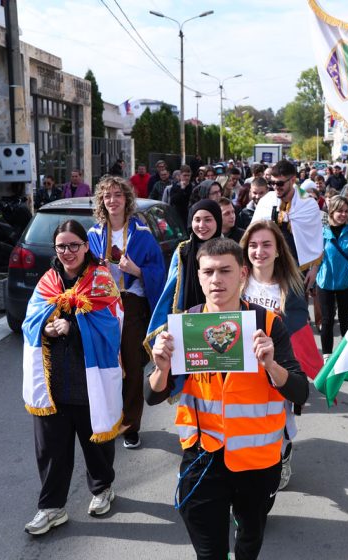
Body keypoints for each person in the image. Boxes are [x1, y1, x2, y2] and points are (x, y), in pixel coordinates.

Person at [145, 238, 309, 560]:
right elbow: (152, 394)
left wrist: (271, 365)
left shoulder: (267, 324)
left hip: (257, 461)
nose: (216, 279)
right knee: (209, 551)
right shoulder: (188, 324)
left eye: (225, 271)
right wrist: (161, 369)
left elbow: (300, 392)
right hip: (203, 457)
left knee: (249, 541)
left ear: (243, 274)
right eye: (208, 272)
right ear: (198, 275)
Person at [21, 219, 125, 535]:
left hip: (89, 380)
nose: (68, 252)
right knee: (52, 449)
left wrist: (75, 325)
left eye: (74, 245)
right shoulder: (47, 282)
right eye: (61, 246)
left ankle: (102, 487)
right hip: (53, 385)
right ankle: (51, 508)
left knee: (96, 444)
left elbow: (113, 324)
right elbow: (29, 322)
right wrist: (47, 328)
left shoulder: (102, 280)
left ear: (85, 246)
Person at [240, 220, 323, 493]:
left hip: (276, 368)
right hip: (241, 369)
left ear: (278, 250)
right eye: (253, 245)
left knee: (279, 421)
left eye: (266, 245)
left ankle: (282, 456)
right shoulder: (236, 281)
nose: (259, 251)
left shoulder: (291, 286)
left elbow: (299, 331)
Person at [87, 176, 166, 450]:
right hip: (104, 307)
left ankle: (131, 425)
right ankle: (110, 419)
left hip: (132, 305)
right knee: (107, 365)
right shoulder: (94, 235)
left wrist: (138, 271)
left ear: (127, 200)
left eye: (118, 195)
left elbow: (160, 273)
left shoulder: (142, 234)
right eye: (107, 196)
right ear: (102, 201)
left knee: (132, 366)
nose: (113, 200)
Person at [144, 200, 222, 353]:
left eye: (208, 220)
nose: (202, 225)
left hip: (222, 316)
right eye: (197, 220)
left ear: (217, 221)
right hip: (189, 317)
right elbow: (171, 290)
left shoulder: (228, 249)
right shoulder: (183, 251)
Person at [251, 160, 324, 288]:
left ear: (292, 180)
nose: (275, 187)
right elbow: (253, 233)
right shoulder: (266, 201)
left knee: (297, 306)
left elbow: (316, 240)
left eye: (279, 183)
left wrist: (314, 269)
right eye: (272, 183)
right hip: (270, 266)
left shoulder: (308, 204)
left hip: (298, 268)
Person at [316, 196, 348, 358]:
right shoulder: (320, 230)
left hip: (346, 282)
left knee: (345, 319)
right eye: (339, 211)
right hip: (325, 282)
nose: (344, 214)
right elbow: (313, 256)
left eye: (346, 211)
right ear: (331, 211)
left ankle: (347, 355)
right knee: (327, 321)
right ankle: (327, 357)